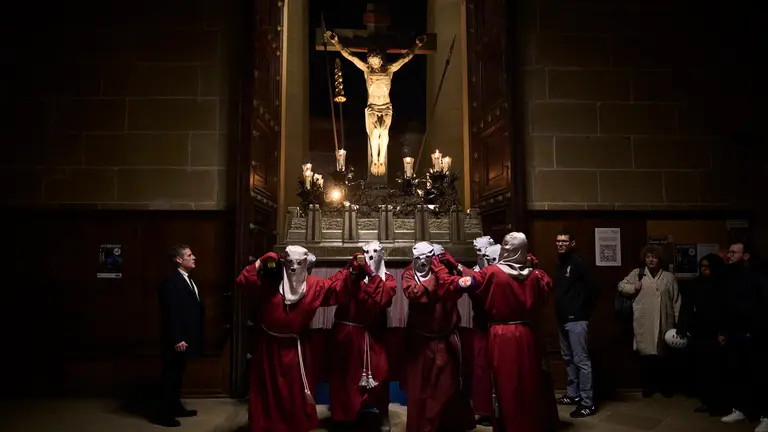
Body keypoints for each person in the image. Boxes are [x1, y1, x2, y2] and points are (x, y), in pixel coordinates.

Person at [434, 232, 553, 432]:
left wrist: (443, 270)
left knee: (505, 384)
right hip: (528, 333)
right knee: (528, 383)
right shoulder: (537, 276)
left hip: (502, 334)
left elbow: (461, 284)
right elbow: (546, 288)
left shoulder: (493, 274)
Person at [235, 246, 361, 432]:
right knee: (268, 392)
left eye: (299, 263)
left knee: (293, 392)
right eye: (289, 263)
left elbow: (338, 287)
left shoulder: (314, 286)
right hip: (268, 349)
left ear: (306, 264)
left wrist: (353, 268)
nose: (293, 268)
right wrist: (260, 262)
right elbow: (243, 282)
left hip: (296, 349)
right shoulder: (269, 283)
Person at [401, 242, 475, 432]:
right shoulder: (409, 273)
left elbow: (474, 282)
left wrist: (456, 266)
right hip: (421, 344)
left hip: (445, 340)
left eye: (427, 257)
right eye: (417, 258)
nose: (422, 262)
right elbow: (414, 293)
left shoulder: (447, 271)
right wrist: (438, 277)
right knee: (421, 390)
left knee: (447, 388)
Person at [329, 241, 397, 431]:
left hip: (372, 335)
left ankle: (383, 413)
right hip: (347, 335)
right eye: (366, 252)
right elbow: (335, 291)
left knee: (380, 374)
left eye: (375, 252)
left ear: (382, 255)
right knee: (344, 377)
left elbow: (384, 298)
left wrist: (370, 274)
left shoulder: (388, 279)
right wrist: (351, 273)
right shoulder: (347, 274)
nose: (370, 255)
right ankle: (343, 417)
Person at [617, 245, 680, 398]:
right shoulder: (638, 274)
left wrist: (678, 323)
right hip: (645, 321)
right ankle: (649, 386)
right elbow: (621, 286)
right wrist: (633, 287)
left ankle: (665, 387)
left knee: (664, 356)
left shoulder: (668, 277)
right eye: (648, 257)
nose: (651, 260)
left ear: (660, 259)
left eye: (654, 257)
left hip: (665, 321)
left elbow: (676, 301)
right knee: (647, 357)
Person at [719, 241, 768, 431]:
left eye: (733, 252)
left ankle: (765, 415)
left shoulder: (760, 275)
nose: (728, 255)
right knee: (738, 372)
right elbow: (727, 306)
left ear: (746, 255)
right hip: (735, 332)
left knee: (760, 374)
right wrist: (724, 331)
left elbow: (764, 306)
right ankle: (741, 409)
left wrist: (754, 330)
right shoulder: (732, 275)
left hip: (756, 334)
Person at [156, 245, 205, 427]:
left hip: (187, 337)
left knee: (177, 375)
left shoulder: (186, 279)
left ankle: (175, 408)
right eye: (189, 255)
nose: (194, 257)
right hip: (177, 339)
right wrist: (177, 338)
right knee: (170, 376)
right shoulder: (171, 280)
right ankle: (163, 414)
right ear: (178, 259)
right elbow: (170, 312)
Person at [676, 253, 728, 415]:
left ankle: (718, 402)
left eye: (707, 267)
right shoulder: (695, 284)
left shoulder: (722, 284)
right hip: (700, 330)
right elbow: (686, 307)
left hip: (717, 331)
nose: (704, 270)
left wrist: (723, 331)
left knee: (717, 368)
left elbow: (726, 310)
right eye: (702, 267)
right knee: (702, 367)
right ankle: (707, 400)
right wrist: (682, 328)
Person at [553, 230, 597, 417]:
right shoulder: (561, 263)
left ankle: (587, 403)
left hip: (576, 319)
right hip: (562, 320)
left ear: (572, 243)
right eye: (558, 241)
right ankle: (573, 394)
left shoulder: (578, 263)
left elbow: (594, 289)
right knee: (568, 358)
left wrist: (582, 312)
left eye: (564, 241)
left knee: (581, 361)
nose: (560, 244)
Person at [469, 236, 499, 426]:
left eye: (484, 251)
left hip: (498, 324)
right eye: (478, 252)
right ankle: (484, 409)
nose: (481, 255)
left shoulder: (501, 271)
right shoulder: (473, 273)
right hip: (481, 323)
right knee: (481, 367)